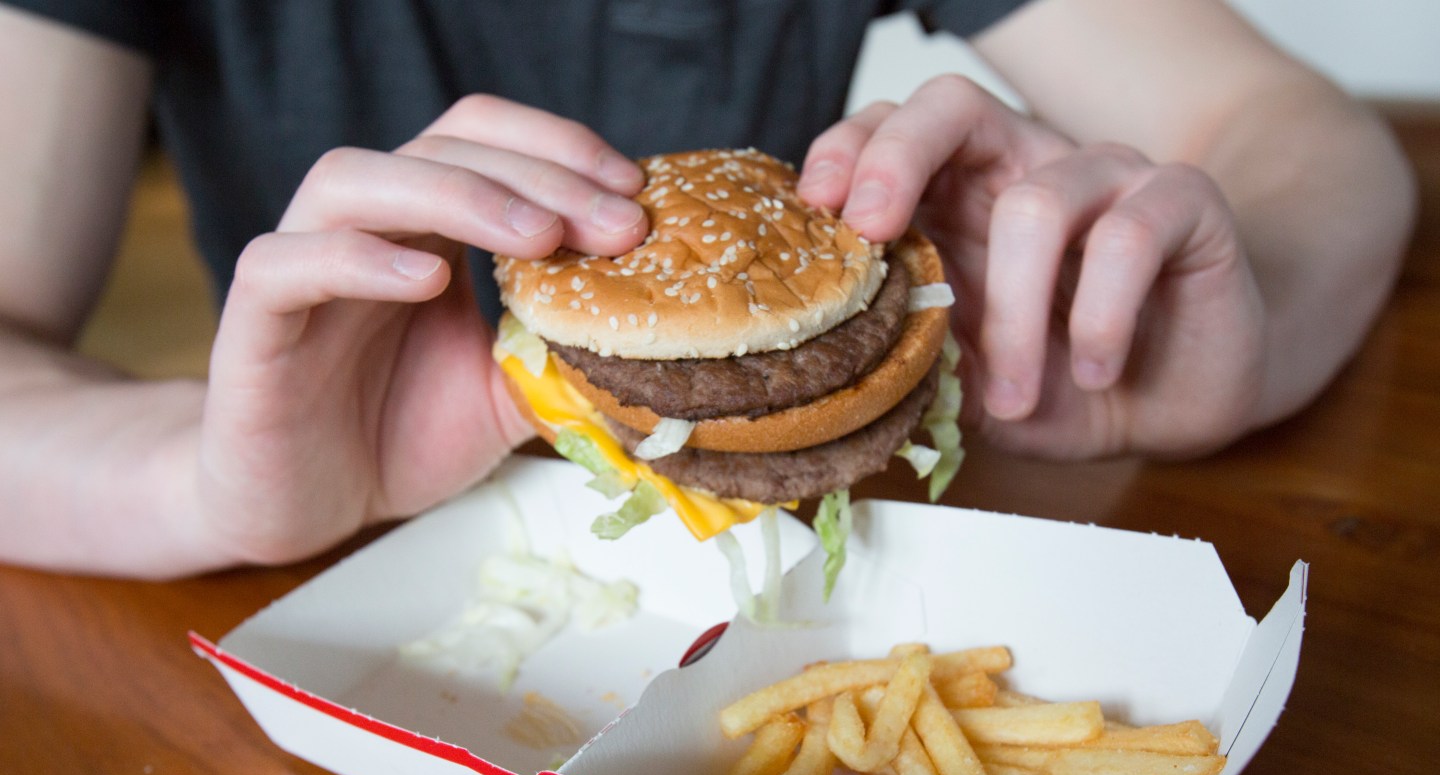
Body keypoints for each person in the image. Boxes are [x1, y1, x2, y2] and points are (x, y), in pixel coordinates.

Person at [0, 1, 1416, 578]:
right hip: (326, 589)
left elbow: (1311, 143)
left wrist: (1237, 313)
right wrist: (200, 485)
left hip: (812, 554)